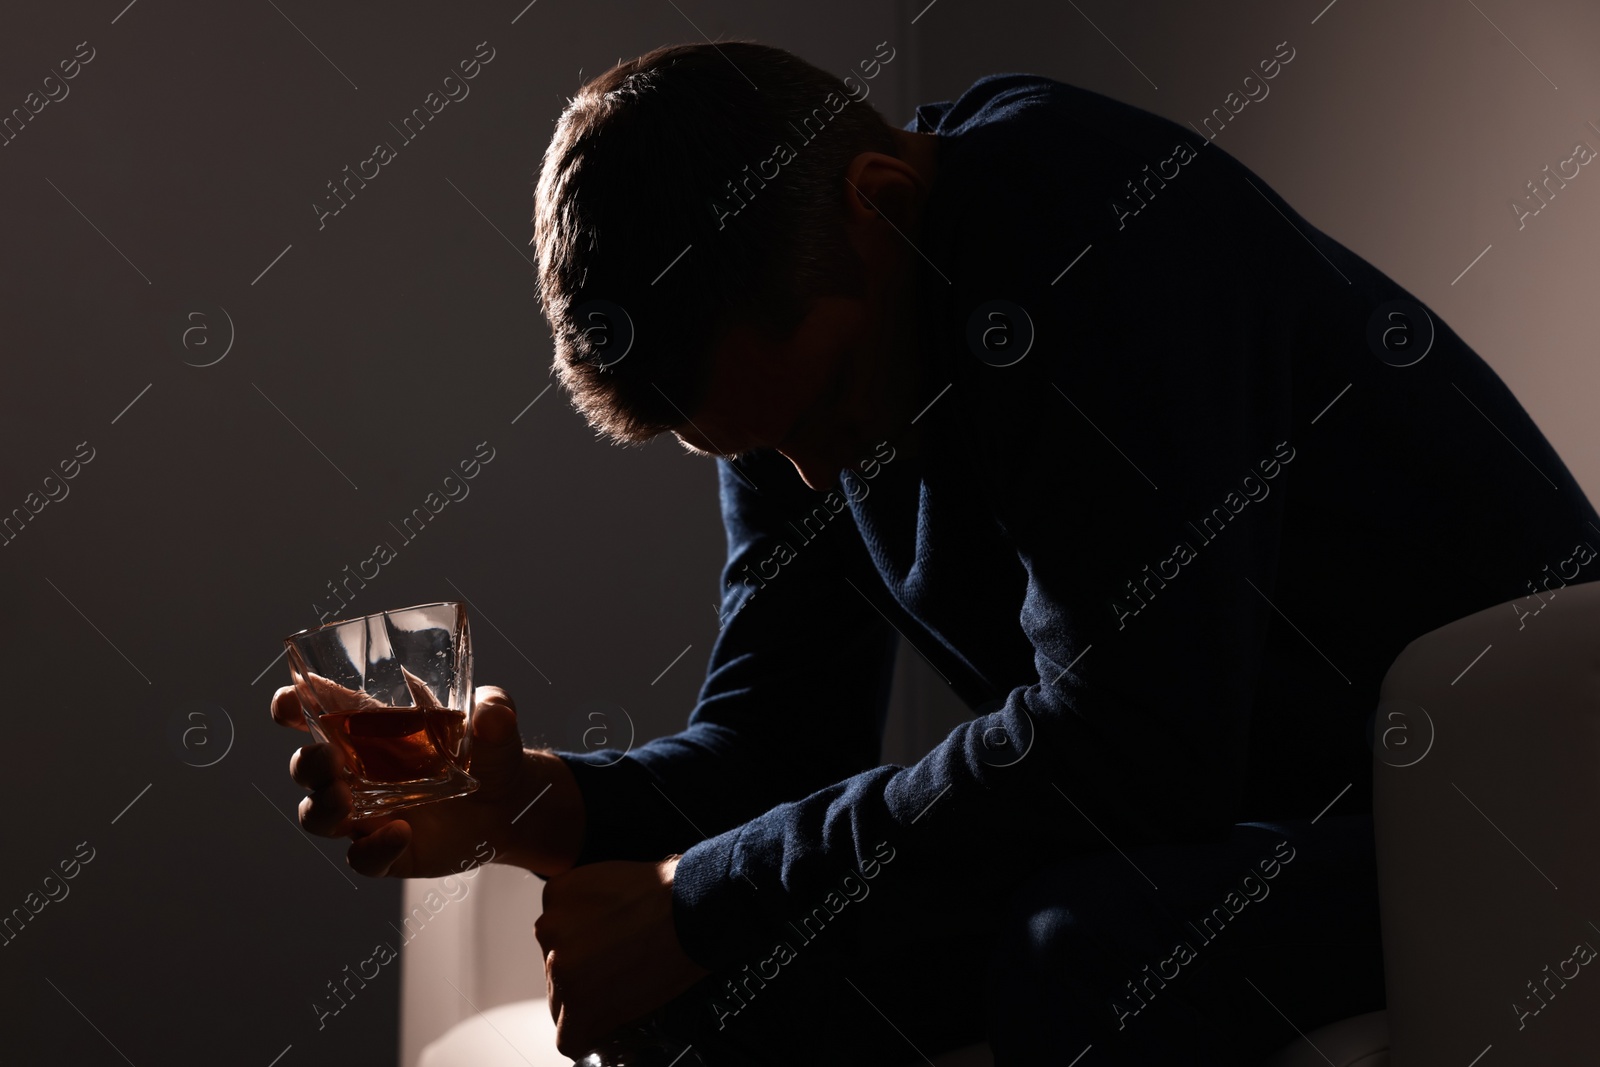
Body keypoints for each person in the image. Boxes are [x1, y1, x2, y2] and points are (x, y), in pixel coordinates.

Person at [273, 40, 1600, 1065]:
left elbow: (1132, 752)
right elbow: (776, 750)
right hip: (1237, 820)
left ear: (887, 200)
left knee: (1075, 948)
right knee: (707, 990)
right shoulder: (800, 361)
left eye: (822, 417)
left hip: (1499, 818)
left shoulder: (1086, 227)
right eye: (755, 450)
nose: (809, 476)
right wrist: (534, 804)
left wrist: (698, 894)